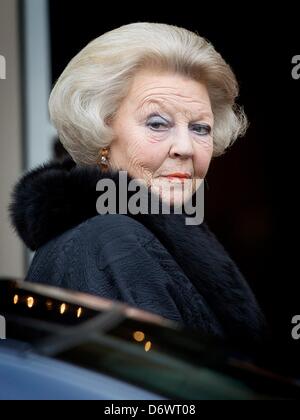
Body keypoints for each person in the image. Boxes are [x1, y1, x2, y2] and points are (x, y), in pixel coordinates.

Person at [9, 22, 266, 345]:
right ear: (100, 131)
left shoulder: (142, 234)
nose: (185, 148)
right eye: (157, 123)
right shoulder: (108, 242)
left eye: (200, 128)